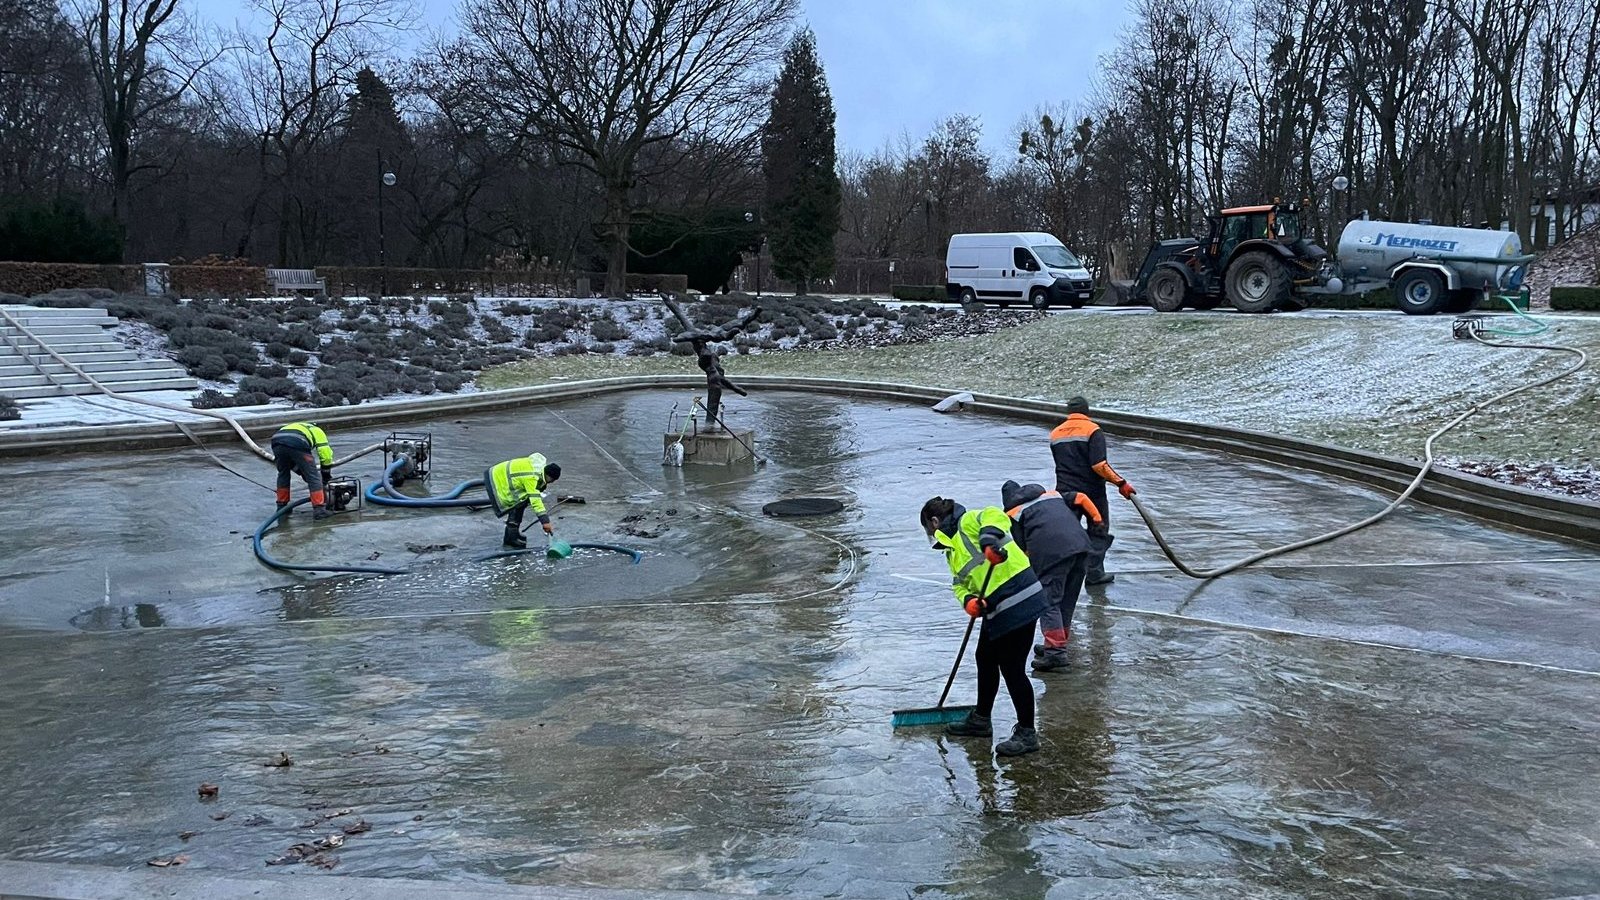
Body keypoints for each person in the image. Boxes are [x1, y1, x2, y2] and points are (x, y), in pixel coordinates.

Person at [919, 496, 1050, 757]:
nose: (930, 536)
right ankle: (981, 719)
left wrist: (990, 540)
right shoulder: (952, 550)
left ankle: (1027, 733)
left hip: (1019, 598)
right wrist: (968, 600)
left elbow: (995, 515)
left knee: (1011, 668)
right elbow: (959, 583)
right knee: (985, 657)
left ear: (935, 521)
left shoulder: (969, 520)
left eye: (928, 530)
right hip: (996, 607)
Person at [1001, 480, 1105, 672]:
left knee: (1048, 602)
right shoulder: (1051, 495)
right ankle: (1056, 643)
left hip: (1053, 554)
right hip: (1081, 547)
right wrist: (1097, 519)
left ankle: (1056, 653)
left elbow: (1023, 552)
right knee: (1066, 600)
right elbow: (1081, 498)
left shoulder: (1013, 514)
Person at [1049, 396, 1136, 584]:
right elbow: (1099, 465)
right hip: (1091, 493)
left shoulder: (1055, 434)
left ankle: (1060, 575)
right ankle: (1094, 573)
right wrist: (1121, 483)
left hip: (1066, 493)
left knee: (1068, 533)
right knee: (1098, 530)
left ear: (1069, 412)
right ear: (1087, 411)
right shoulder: (1092, 430)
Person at [484, 453, 562, 549]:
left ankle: (513, 534)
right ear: (549, 476)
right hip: (498, 481)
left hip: (499, 474)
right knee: (517, 503)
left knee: (523, 501)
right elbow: (535, 500)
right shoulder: (532, 477)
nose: (552, 482)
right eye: (552, 480)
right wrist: (545, 521)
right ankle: (511, 539)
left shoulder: (539, 468)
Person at [272, 422, 334, 520]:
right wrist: (326, 475)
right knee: (313, 476)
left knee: (283, 474)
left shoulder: (297, 426)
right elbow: (326, 455)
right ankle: (319, 510)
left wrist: (302, 471)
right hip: (297, 441)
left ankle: (282, 506)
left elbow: (292, 462)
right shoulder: (317, 430)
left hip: (277, 440)